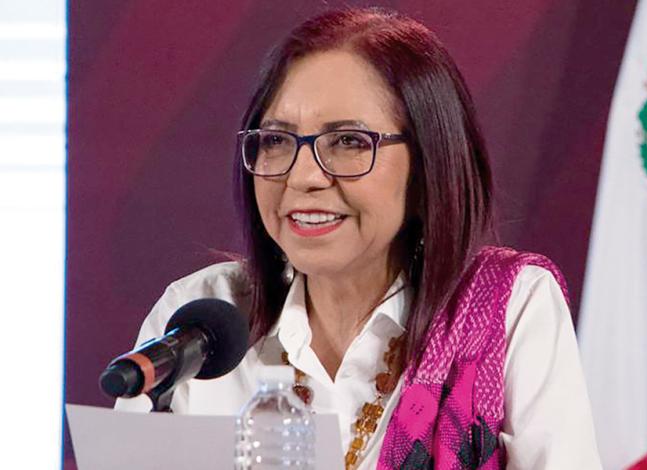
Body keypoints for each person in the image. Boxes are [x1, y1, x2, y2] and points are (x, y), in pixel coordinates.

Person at [116, 7, 601, 469]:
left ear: (429, 164)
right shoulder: (199, 318)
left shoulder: (506, 309)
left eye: (349, 142)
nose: (303, 177)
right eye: (278, 140)